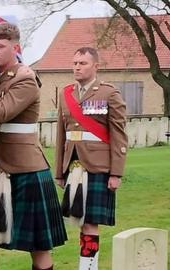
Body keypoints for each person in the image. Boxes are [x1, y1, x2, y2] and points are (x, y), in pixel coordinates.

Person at [0, 23, 67, 270]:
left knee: (38, 244)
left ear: (15, 48)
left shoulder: (25, 78)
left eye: (0, 46)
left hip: (26, 168)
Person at [55, 47, 127, 270]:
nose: (77, 67)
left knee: (90, 223)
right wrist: (59, 172)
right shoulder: (65, 93)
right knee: (79, 221)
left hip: (97, 167)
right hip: (73, 167)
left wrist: (116, 173)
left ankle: (88, 267)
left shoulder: (109, 93)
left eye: (83, 63)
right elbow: (61, 136)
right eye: (75, 63)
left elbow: (119, 135)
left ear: (96, 66)